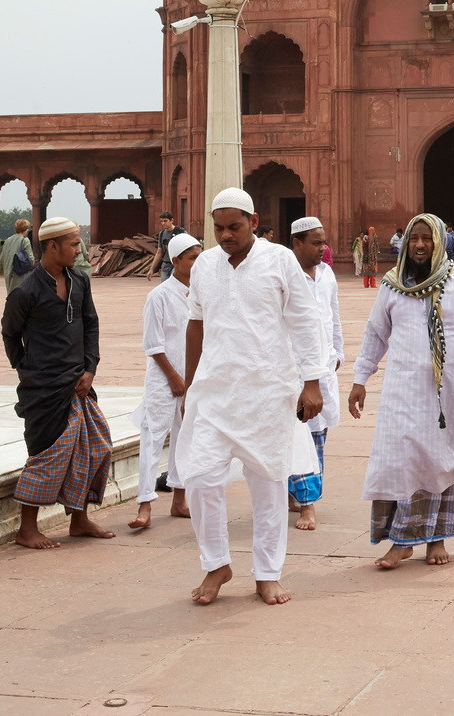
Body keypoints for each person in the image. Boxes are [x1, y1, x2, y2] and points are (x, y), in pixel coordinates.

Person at [178, 188, 326, 606]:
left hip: (267, 391)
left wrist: (311, 381)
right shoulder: (205, 265)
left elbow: (304, 319)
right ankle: (216, 564)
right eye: (218, 227)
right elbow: (195, 326)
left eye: (234, 227)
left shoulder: (278, 259)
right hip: (214, 392)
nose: (225, 235)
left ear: (254, 222)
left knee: (269, 485)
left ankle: (267, 573)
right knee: (201, 477)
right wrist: (190, 388)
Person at [349, 213, 454, 569]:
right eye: (414, 239)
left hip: (446, 393)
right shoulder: (391, 285)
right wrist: (360, 378)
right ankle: (402, 540)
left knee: (444, 460)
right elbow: (375, 334)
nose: (419, 245)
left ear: (439, 242)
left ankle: (436, 538)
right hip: (401, 389)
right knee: (402, 459)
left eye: (426, 239)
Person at [1, 217, 114, 549]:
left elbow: (90, 324)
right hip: (44, 388)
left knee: (91, 447)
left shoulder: (79, 281)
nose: (79, 250)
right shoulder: (26, 290)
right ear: (52, 246)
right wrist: (29, 371)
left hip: (78, 382)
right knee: (45, 453)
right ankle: (27, 528)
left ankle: (79, 520)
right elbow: (10, 334)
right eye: (74, 244)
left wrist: (89, 369)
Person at [129, 232, 202, 531]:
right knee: (153, 438)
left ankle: (179, 499)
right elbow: (153, 344)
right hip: (163, 379)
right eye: (192, 257)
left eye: (200, 256)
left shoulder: (200, 295)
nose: (197, 263)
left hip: (192, 379)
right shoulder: (158, 296)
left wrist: (192, 379)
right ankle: (144, 504)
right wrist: (173, 376)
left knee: (185, 440)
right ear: (176, 261)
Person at [288, 217, 344, 531]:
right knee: (298, 437)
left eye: (323, 242)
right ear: (296, 243)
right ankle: (307, 505)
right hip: (294, 370)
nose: (322, 248)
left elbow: (333, 316)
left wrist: (338, 351)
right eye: (315, 242)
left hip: (324, 368)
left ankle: (298, 496)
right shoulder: (284, 276)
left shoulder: (326, 275)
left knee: (318, 436)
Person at [0, 218, 34, 296]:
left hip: (8, 272)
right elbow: (31, 260)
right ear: (25, 230)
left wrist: (1, 270)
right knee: (21, 297)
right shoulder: (25, 240)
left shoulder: (7, 240)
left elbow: (2, 258)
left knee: (11, 295)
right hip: (20, 274)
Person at [146, 211, 183, 282]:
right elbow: (159, 253)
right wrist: (151, 269)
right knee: (164, 287)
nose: (163, 223)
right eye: (161, 221)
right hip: (166, 264)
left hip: (177, 263)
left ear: (172, 220)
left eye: (165, 221)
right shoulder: (162, 234)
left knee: (174, 285)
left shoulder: (179, 231)